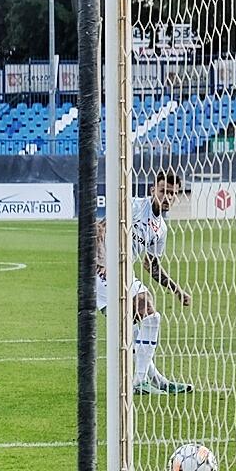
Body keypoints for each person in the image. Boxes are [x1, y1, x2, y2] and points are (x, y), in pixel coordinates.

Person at [96, 169, 194, 394]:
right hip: (102, 272)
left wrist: (177, 291)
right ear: (153, 190)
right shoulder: (135, 206)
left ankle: (154, 380)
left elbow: (152, 266)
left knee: (147, 320)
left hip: (125, 272)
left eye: (172, 193)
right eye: (163, 191)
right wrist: (102, 262)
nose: (167, 197)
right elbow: (99, 228)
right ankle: (141, 381)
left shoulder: (161, 229)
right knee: (141, 316)